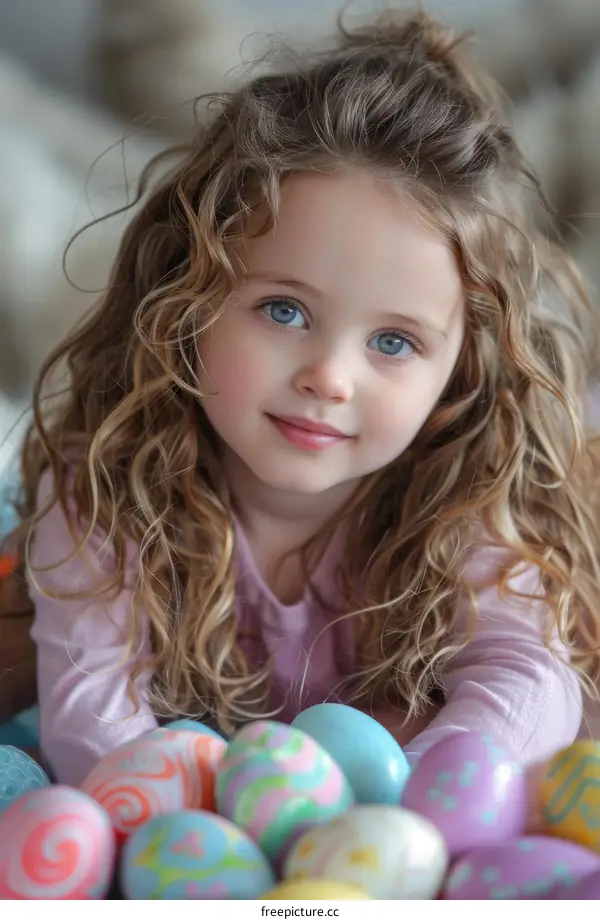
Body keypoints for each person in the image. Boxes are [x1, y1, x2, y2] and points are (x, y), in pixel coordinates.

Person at [14, 9, 600, 788]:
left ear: (463, 370)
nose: (330, 377)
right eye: (284, 310)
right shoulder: (106, 489)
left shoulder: (463, 497)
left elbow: (527, 678)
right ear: (185, 297)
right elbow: (90, 720)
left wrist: (399, 813)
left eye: (394, 342)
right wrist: (213, 821)